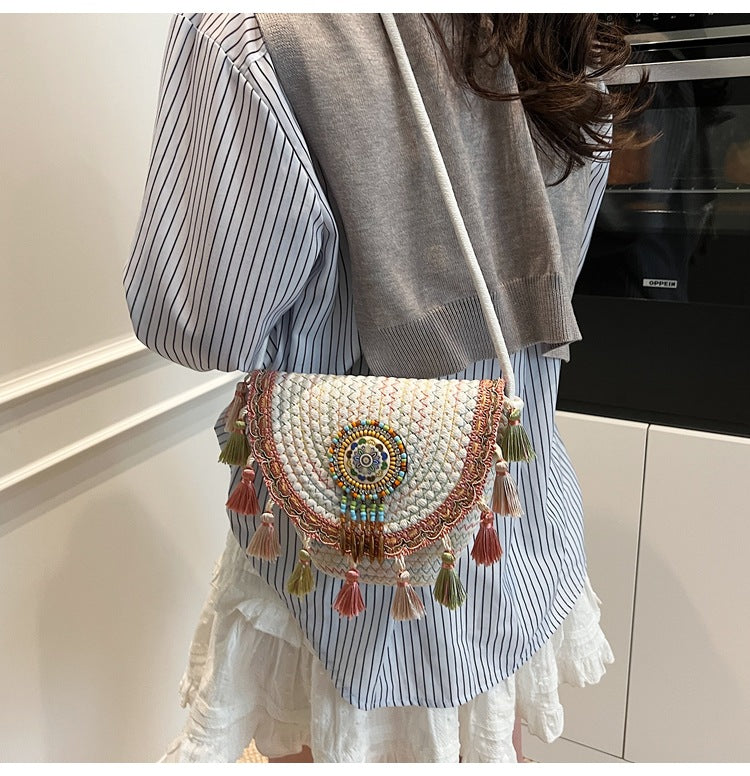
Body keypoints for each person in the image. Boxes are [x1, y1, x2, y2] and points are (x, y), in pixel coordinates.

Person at [123, 12, 651, 763]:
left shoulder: (252, 34)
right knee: (486, 739)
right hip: (511, 519)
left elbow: (199, 324)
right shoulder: (565, 28)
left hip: (330, 549)